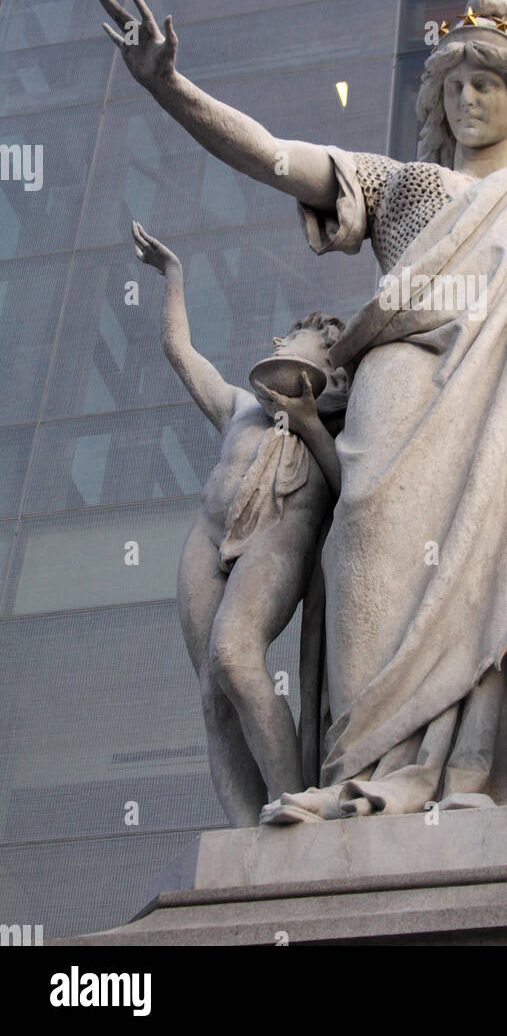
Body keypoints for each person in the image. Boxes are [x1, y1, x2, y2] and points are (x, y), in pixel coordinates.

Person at [102, 0, 507, 823]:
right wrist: (168, 87)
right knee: (369, 545)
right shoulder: (402, 185)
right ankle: (369, 772)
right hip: (400, 411)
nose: (467, 100)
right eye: (453, 86)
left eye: (485, 83)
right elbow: (273, 155)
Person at [131, 219, 348, 825]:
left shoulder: (336, 429)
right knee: (212, 696)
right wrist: (174, 279)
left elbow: (354, 495)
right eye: (290, 337)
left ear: (333, 375)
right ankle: (245, 835)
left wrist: (307, 420)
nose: (287, 344)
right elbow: (180, 352)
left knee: (234, 655)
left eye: (306, 344)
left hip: (278, 542)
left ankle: (292, 805)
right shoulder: (239, 407)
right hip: (206, 538)